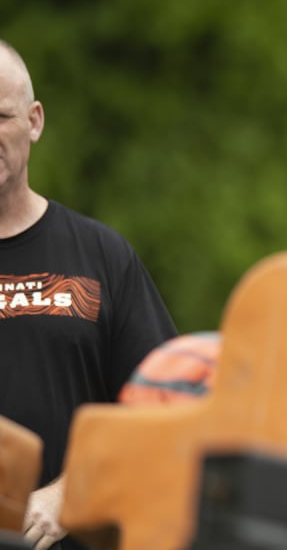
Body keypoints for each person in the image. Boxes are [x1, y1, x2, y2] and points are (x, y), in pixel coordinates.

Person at [0, 40, 177, 550]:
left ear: (34, 121)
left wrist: (72, 493)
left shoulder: (99, 257)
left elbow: (166, 406)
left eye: (1, 115)